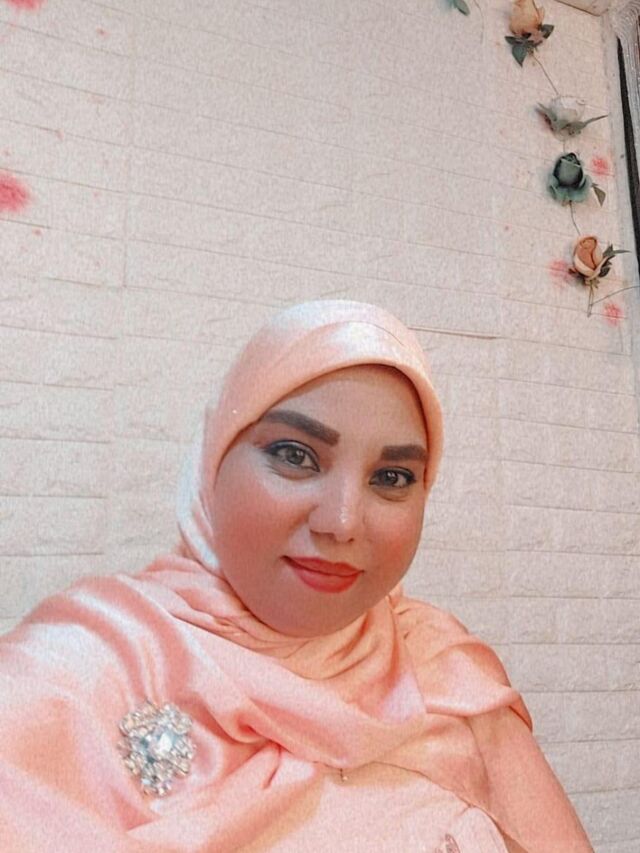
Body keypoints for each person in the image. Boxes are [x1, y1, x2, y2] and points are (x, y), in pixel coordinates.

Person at [0, 300, 592, 852]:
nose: (341, 522)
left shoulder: (448, 673)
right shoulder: (79, 669)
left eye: (391, 478)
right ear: (214, 459)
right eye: (295, 455)